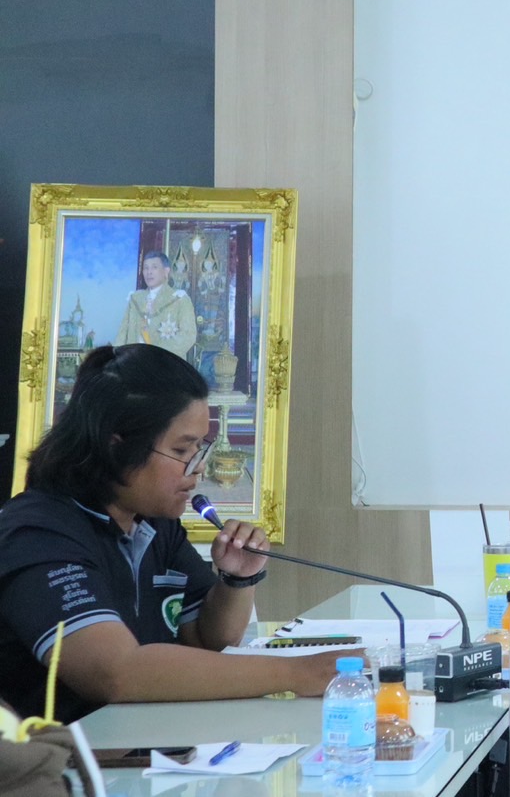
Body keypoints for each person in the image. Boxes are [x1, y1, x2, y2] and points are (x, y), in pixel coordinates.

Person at [0, 344, 345, 721]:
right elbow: (114, 673)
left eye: (199, 448)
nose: (198, 469)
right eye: (182, 451)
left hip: (147, 739)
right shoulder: (37, 533)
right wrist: (298, 672)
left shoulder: (154, 524)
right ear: (116, 446)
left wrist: (236, 581)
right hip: (63, 752)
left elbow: (207, 640)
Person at [114, 250, 199, 359]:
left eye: (154, 267)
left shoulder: (179, 299)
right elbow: (122, 333)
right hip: (134, 362)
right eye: (146, 268)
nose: (149, 272)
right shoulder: (135, 299)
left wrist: (157, 354)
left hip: (165, 362)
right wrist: (116, 359)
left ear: (166, 271)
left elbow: (188, 335)